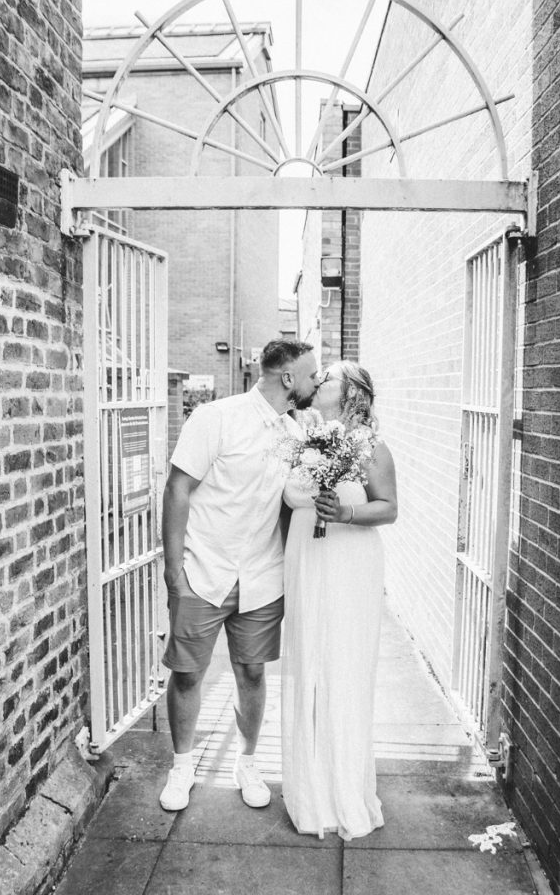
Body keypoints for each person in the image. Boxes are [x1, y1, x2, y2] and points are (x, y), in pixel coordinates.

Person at [159, 339, 319, 813]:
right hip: (204, 570)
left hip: (264, 576)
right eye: (311, 374)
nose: (315, 382)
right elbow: (177, 489)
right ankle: (182, 765)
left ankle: (246, 762)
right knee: (188, 675)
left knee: (252, 672)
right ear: (287, 378)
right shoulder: (215, 418)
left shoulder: (298, 433)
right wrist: (174, 571)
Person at [281, 361, 398, 840]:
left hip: (349, 562)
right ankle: (311, 785)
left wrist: (346, 510)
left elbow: (389, 508)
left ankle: (343, 787)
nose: (319, 383)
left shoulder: (371, 447)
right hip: (308, 559)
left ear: (352, 394)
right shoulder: (306, 442)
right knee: (311, 664)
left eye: (327, 379)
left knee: (343, 666)